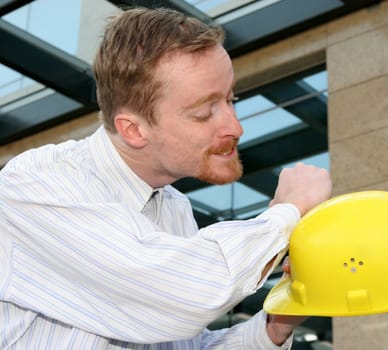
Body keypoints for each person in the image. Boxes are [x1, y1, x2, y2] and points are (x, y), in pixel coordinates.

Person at [0, 6, 332, 349]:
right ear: (133, 129)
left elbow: (184, 342)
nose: (235, 127)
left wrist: (275, 326)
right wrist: (287, 212)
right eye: (204, 113)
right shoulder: (38, 183)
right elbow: (187, 292)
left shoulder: (174, 208)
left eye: (231, 99)